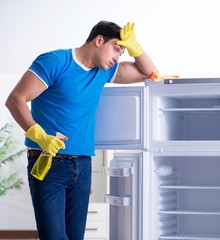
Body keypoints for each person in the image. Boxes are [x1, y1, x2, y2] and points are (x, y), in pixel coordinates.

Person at [5, 20, 158, 240]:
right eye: (116, 48)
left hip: (83, 165)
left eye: (122, 52)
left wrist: (137, 48)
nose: (118, 57)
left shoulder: (104, 71)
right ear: (99, 40)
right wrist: (39, 136)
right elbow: (16, 100)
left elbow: (150, 73)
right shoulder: (56, 61)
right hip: (49, 162)